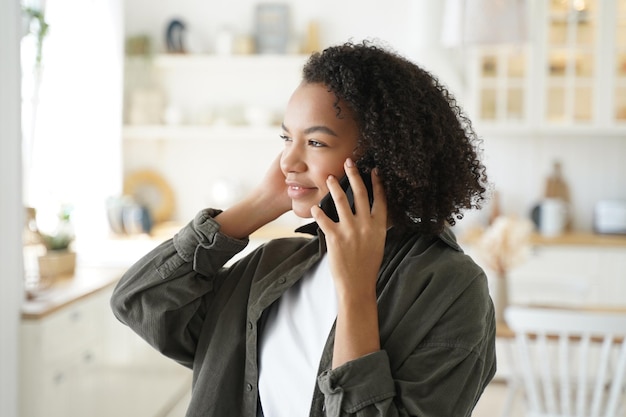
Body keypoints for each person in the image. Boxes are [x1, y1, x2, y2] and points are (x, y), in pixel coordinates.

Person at [111, 40, 496, 417]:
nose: (288, 160)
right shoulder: (272, 265)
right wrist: (260, 203)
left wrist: (356, 292)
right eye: (286, 139)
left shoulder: (452, 289)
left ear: (384, 157)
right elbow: (140, 301)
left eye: (315, 142)